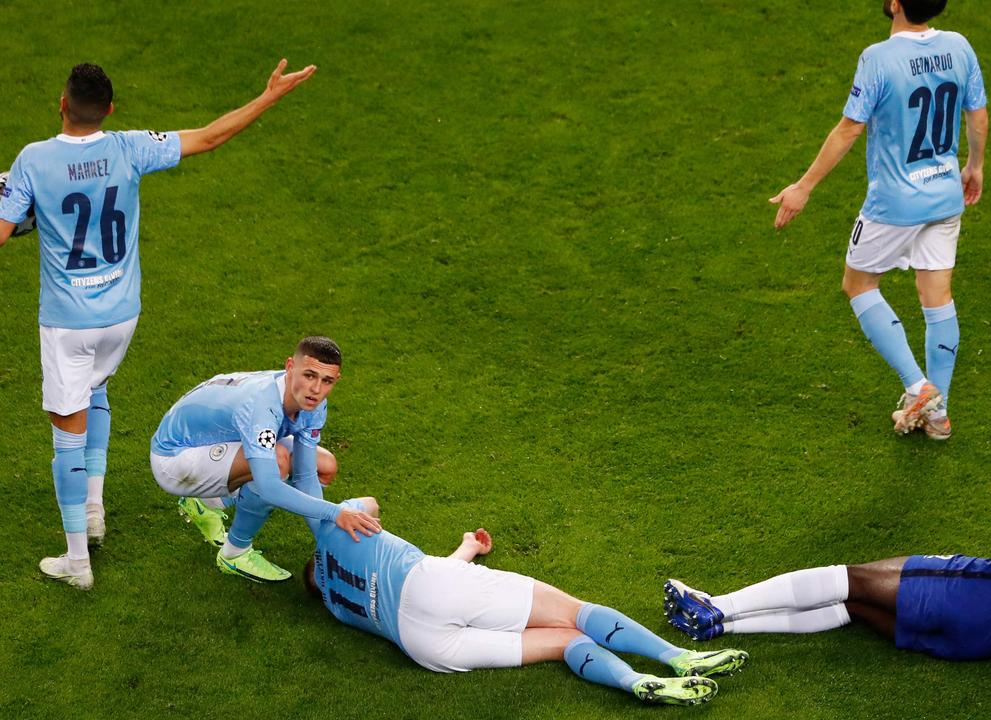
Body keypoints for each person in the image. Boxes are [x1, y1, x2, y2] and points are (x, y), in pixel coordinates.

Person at [0, 60, 317, 590]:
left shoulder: (34, 160)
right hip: (121, 318)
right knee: (96, 389)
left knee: (65, 436)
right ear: (111, 111)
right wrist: (267, 97)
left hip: (66, 324)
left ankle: (77, 562)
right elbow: (210, 137)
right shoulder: (129, 146)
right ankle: (95, 507)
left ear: (61, 103)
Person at [768, 0, 987, 439]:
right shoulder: (959, 47)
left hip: (894, 204)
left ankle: (918, 386)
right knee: (937, 297)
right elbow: (976, 114)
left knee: (859, 284)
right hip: (945, 194)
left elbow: (850, 128)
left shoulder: (878, 58)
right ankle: (938, 414)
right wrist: (974, 166)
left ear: (895, 4)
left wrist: (804, 186)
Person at [303, 498, 749, 706]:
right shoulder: (329, 530)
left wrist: (465, 551)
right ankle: (682, 658)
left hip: (421, 645)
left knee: (561, 641)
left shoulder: (335, 605)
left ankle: (634, 683)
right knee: (575, 613)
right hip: (430, 583)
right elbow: (372, 508)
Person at [665, 508, 991, 663]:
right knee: (855, 607)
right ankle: (722, 631)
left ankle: (720, 606)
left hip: (985, 597)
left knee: (852, 578)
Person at [150, 337, 380, 584]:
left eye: (327, 381)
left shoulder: (313, 402)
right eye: (310, 375)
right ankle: (234, 553)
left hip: (218, 441)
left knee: (324, 466)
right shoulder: (261, 406)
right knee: (276, 464)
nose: (316, 389)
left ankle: (207, 503)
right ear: (290, 366)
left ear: (336, 380)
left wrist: (326, 542)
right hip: (174, 458)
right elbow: (270, 487)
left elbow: (305, 475)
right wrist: (336, 513)